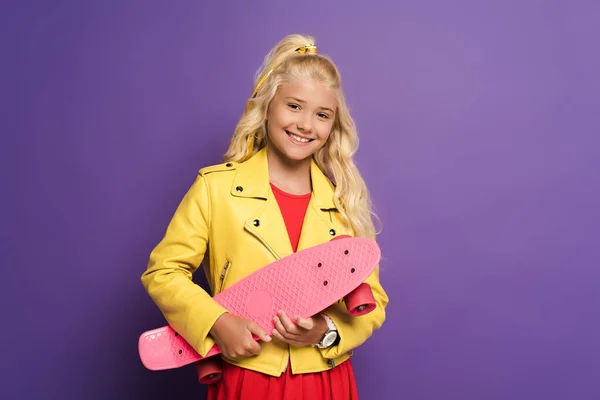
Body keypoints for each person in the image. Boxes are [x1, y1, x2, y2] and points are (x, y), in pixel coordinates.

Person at [141, 33, 389, 399]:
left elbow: (374, 303)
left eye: (322, 115)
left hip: (326, 379)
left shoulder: (342, 202)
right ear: (267, 105)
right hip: (248, 377)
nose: (306, 124)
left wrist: (325, 331)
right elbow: (163, 272)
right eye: (294, 106)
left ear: (333, 126)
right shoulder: (216, 188)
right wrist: (217, 323)